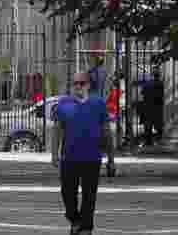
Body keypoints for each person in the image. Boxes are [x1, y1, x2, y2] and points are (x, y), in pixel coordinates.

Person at [51, 71, 113, 235]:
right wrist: (54, 154)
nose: (78, 86)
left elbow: (106, 131)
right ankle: (74, 219)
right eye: (75, 83)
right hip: (69, 158)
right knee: (67, 193)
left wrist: (111, 158)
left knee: (89, 195)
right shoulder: (64, 104)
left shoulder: (98, 104)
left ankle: (86, 228)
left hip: (92, 158)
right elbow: (57, 130)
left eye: (81, 83)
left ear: (88, 85)